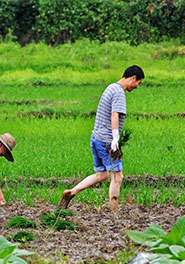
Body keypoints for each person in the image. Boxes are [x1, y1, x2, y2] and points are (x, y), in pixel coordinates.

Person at [59, 65, 145, 212]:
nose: (137, 86)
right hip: (106, 141)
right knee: (117, 177)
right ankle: (114, 213)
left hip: (96, 138)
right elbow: (114, 115)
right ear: (132, 78)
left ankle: (72, 192)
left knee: (102, 174)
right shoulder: (119, 93)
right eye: (138, 82)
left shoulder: (110, 87)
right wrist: (115, 139)